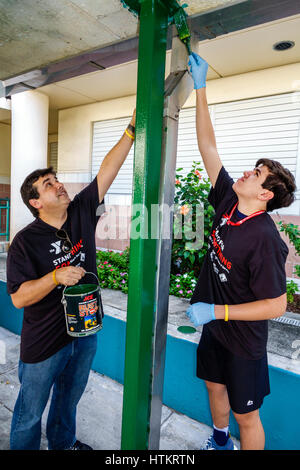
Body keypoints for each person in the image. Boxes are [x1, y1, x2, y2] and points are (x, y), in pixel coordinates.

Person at [6, 111, 136, 450]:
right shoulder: (25, 241)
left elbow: (107, 171)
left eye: (57, 179)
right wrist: (54, 276)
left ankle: (63, 444)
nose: (58, 184)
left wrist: (131, 130)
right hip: (44, 344)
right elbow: (19, 298)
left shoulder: (80, 211)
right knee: (29, 413)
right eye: (48, 184)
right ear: (35, 202)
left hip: (85, 332)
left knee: (68, 401)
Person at [186, 53, 296, 451]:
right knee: (214, 389)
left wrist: (217, 311)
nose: (246, 172)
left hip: (242, 340)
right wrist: (201, 88)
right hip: (214, 331)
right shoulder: (228, 203)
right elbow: (207, 144)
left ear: (265, 195)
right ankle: (218, 443)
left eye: (256, 173)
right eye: (251, 167)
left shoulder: (265, 238)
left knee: (246, 415)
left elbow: (276, 306)